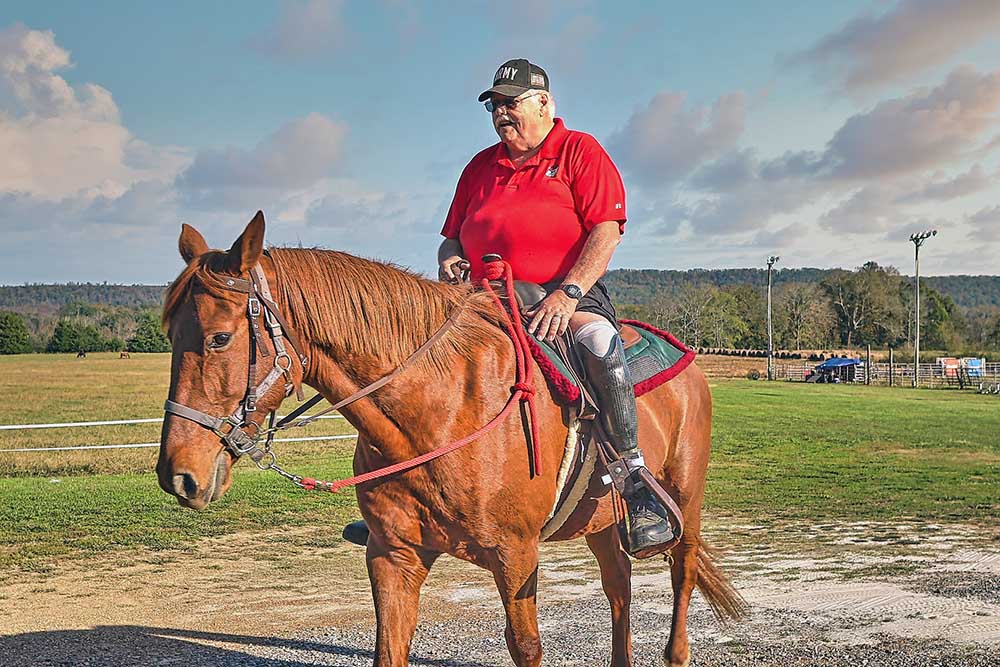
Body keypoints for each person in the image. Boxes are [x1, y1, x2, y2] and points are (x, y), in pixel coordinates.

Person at [436, 59, 673, 553]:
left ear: (544, 103)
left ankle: (633, 477)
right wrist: (452, 260)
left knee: (598, 340)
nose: (501, 113)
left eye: (511, 102)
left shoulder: (579, 151)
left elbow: (606, 231)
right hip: (483, 300)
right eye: (495, 105)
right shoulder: (479, 167)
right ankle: (399, 499)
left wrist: (568, 295)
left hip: (565, 292)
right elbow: (452, 238)